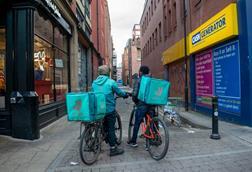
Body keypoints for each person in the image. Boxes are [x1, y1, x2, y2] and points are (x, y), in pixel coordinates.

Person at [92, 65, 128, 156]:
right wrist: (125, 95)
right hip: (109, 110)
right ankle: (113, 149)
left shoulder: (94, 83)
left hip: (98, 109)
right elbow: (119, 92)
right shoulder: (111, 82)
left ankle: (100, 138)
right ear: (108, 72)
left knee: (101, 123)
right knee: (111, 128)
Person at [127, 66, 154, 147]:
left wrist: (135, 101)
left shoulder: (139, 80)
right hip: (151, 104)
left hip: (141, 105)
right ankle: (149, 142)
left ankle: (134, 141)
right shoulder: (151, 80)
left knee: (137, 123)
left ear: (141, 72)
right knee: (150, 123)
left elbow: (135, 94)